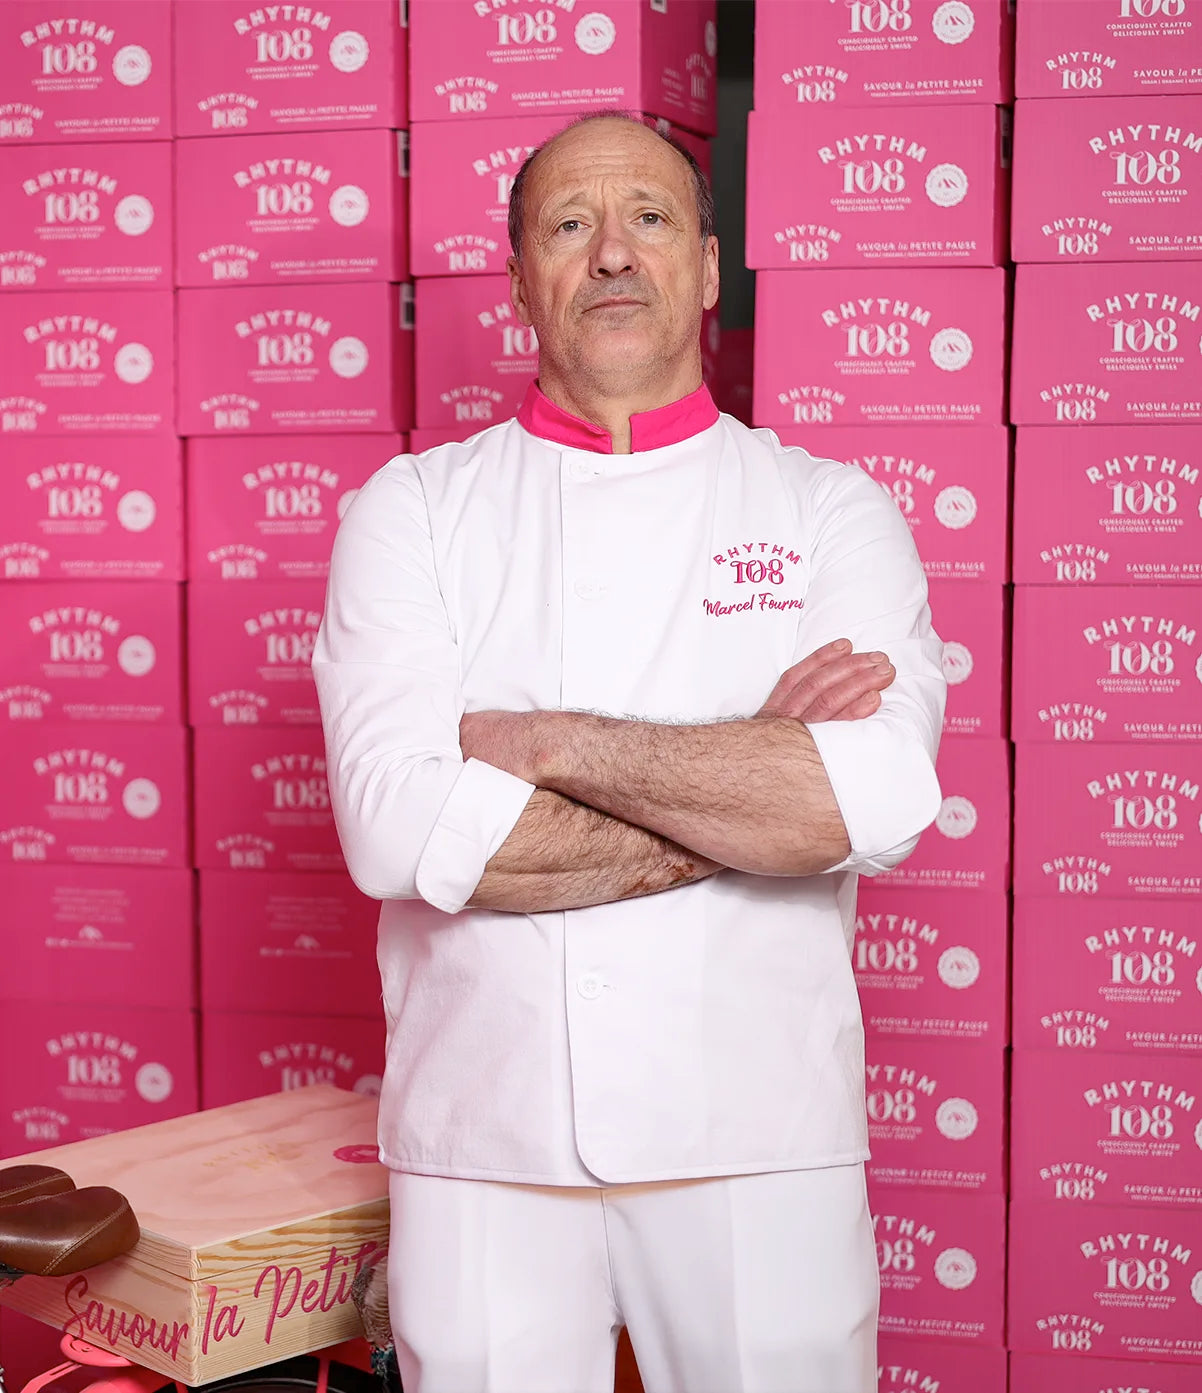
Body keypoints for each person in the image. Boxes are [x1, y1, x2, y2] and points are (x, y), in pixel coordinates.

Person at [314, 112, 946, 1393]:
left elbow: (869, 801)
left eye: (648, 218)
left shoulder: (828, 509)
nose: (611, 252)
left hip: (758, 1134)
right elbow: (396, 830)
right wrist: (753, 778)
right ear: (518, 282)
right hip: (482, 1138)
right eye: (569, 225)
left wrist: (542, 743)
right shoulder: (412, 512)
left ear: (707, 269)